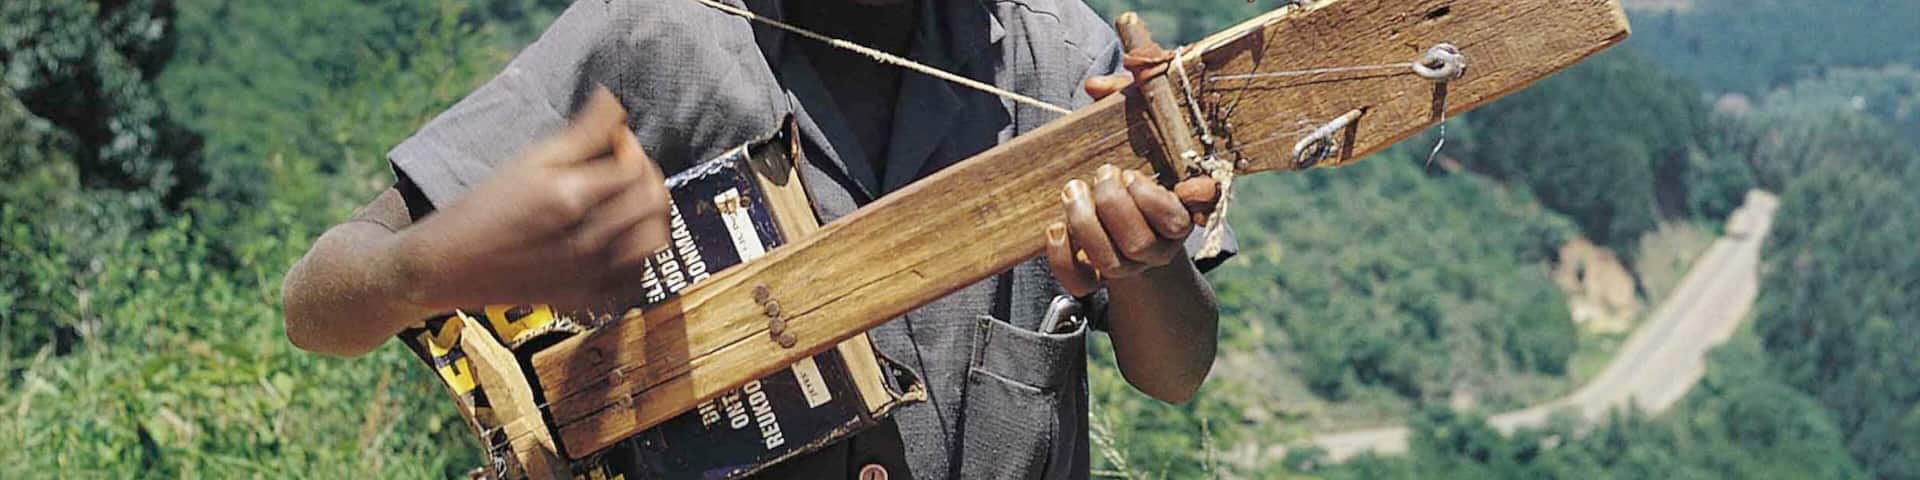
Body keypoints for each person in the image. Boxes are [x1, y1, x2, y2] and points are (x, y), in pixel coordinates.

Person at [281, 0, 1231, 477]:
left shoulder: (1058, 58)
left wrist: (1147, 265)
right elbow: (316, 303)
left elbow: (1176, 368)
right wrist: (440, 262)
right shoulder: (652, 40)